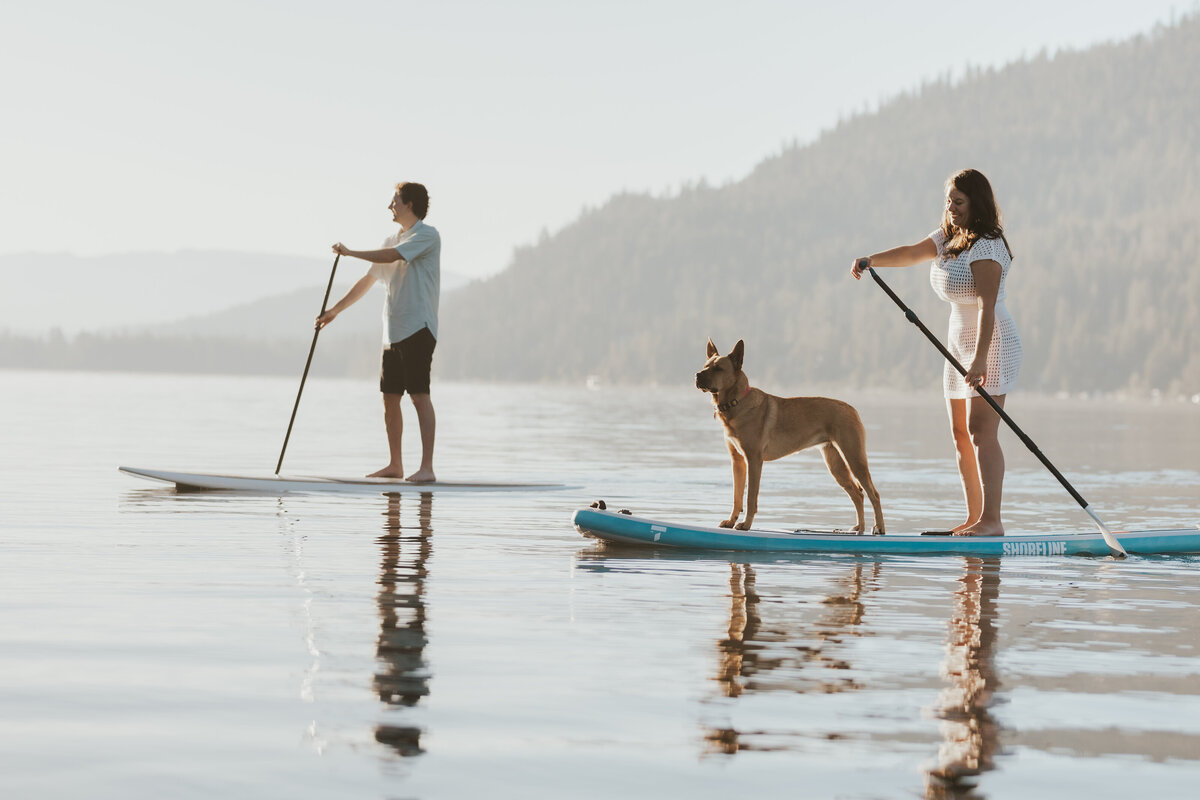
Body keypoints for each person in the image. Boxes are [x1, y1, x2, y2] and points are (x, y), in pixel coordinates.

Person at [851, 169, 1021, 536]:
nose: (951, 208)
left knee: (980, 430)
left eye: (958, 202)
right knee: (960, 431)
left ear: (977, 203)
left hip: (990, 342)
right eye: (948, 201)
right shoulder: (949, 236)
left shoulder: (987, 245)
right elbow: (913, 253)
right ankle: (974, 518)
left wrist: (978, 360)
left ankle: (992, 521)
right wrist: (872, 259)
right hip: (957, 339)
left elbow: (987, 307)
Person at [317, 181, 440, 482]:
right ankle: (395, 465)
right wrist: (334, 311)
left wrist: (350, 251)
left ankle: (427, 468)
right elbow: (368, 280)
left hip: (418, 328)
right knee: (390, 397)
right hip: (393, 331)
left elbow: (394, 256)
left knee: (419, 396)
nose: (390, 206)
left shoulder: (427, 235)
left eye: (395, 200)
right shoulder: (391, 239)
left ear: (409, 204)